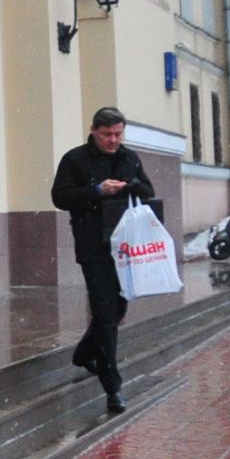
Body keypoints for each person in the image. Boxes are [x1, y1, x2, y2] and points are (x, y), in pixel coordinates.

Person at [51, 106, 155, 414]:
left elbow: (148, 190)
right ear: (94, 130)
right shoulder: (75, 159)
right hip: (93, 246)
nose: (113, 140)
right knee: (106, 313)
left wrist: (133, 186)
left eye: (118, 134)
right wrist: (97, 190)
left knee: (118, 307)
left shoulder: (129, 157)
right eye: (107, 134)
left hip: (125, 247)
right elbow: (60, 197)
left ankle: (84, 352)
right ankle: (113, 388)